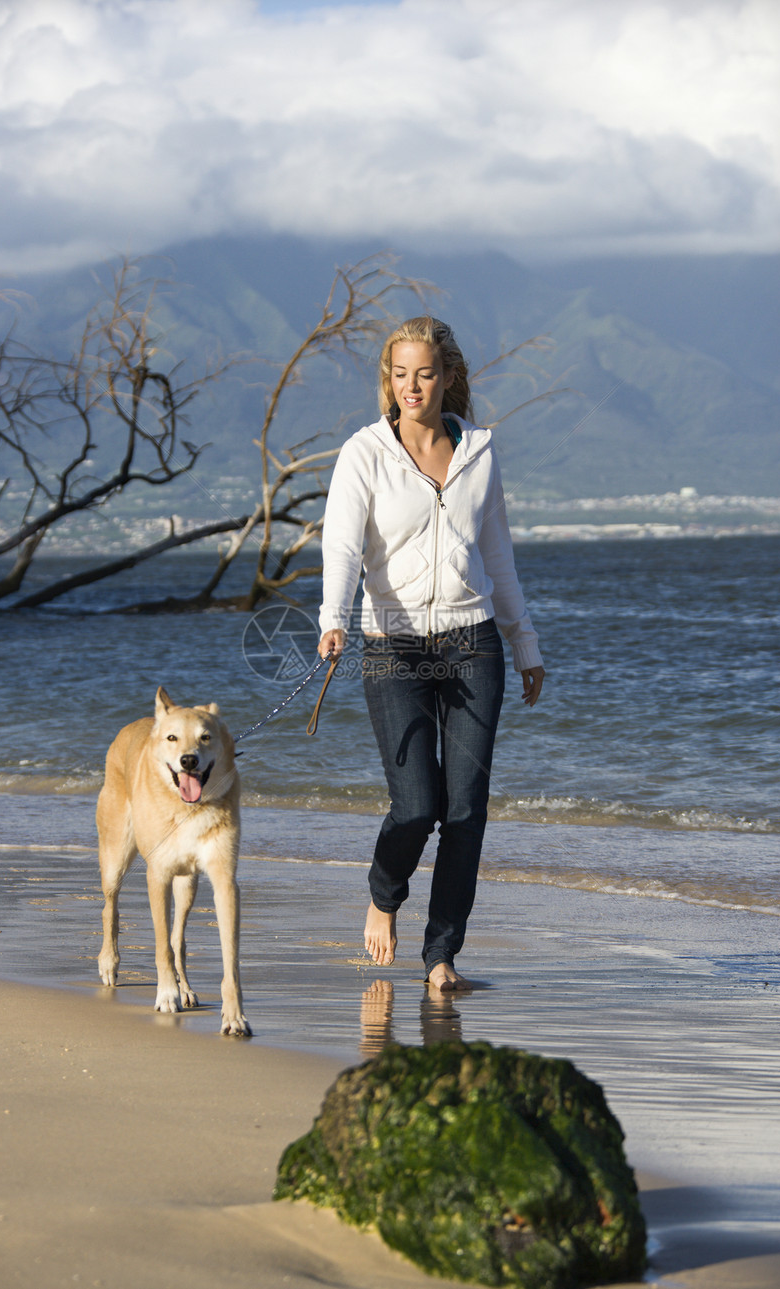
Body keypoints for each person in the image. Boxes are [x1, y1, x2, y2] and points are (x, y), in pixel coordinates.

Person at [318, 316, 544, 992]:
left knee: (466, 809)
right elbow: (342, 543)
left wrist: (523, 641)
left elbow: (497, 552)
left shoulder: (480, 451)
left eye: (424, 373)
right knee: (417, 804)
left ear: (446, 376)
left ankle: (442, 954)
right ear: (388, 381)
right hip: (394, 646)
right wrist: (333, 619)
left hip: (473, 642)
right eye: (399, 374)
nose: (411, 386)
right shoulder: (365, 453)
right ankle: (385, 893)